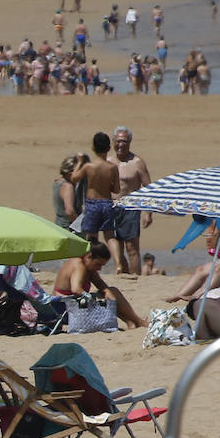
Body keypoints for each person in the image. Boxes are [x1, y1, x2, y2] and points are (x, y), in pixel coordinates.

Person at [53, 242, 147, 329]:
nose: (99, 268)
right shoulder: (79, 265)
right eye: (98, 264)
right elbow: (76, 289)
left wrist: (107, 292)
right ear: (89, 256)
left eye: (102, 265)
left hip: (72, 303)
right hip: (63, 307)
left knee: (110, 292)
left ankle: (130, 322)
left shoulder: (88, 266)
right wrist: (93, 299)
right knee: (110, 293)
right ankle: (138, 321)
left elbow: (99, 283)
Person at [109, 127, 152, 275]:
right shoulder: (108, 161)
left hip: (131, 207)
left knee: (132, 248)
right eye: (118, 141)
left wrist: (148, 212)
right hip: (112, 207)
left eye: (124, 142)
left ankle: (135, 277)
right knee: (117, 246)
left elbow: (149, 188)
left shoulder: (137, 162)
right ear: (113, 141)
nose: (121, 145)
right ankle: (122, 273)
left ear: (130, 143)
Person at [72, 134, 119, 243]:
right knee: (110, 236)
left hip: (92, 203)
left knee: (92, 235)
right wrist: (106, 185)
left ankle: (93, 257)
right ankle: (118, 260)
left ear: (93, 148)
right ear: (108, 148)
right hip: (107, 203)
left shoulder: (89, 166)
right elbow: (116, 190)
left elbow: (74, 178)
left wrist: (79, 162)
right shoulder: (112, 167)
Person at [53, 154, 86, 230]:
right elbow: (70, 212)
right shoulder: (68, 186)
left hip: (59, 225)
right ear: (70, 174)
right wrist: (80, 226)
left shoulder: (57, 182)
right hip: (69, 228)